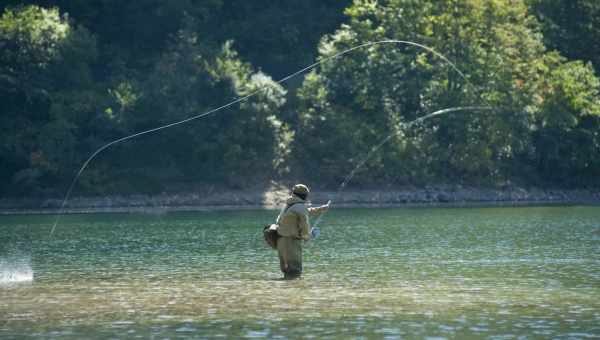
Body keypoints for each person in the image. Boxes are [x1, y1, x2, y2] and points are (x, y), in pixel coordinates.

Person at [276, 184, 329, 279]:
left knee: (287, 273)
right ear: (304, 195)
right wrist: (310, 235)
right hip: (291, 243)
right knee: (295, 273)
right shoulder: (300, 207)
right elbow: (305, 228)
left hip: (281, 241)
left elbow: (304, 211)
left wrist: (321, 209)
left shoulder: (289, 205)